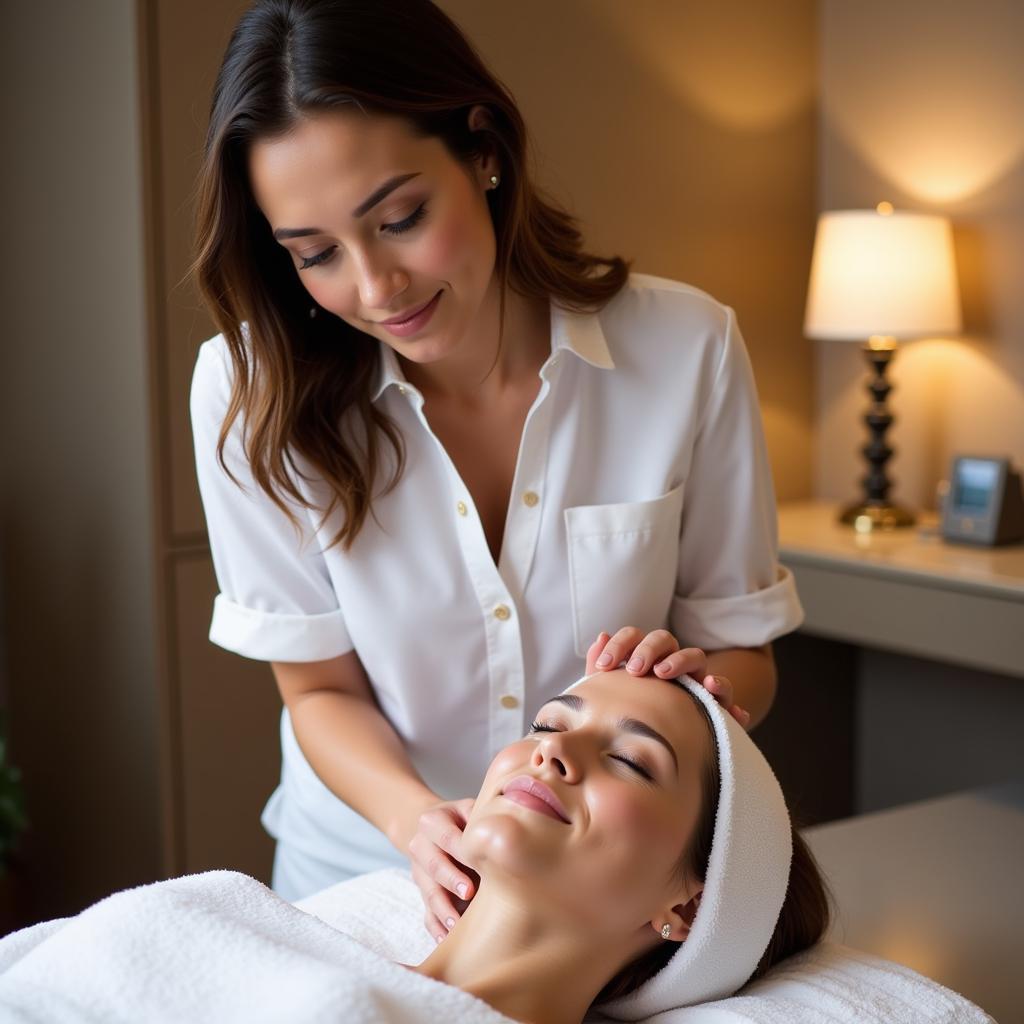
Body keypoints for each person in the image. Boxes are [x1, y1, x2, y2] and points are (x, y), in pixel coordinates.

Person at [188, 0, 806, 936]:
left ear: (483, 149)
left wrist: (689, 687)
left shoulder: (687, 350)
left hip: (604, 895)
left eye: (400, 218)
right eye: (314, 254)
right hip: (363, 871)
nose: (373, 287)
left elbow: (743, 655)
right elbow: (317, 689)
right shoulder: (248, 393)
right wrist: (415, 824)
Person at [0, 670, 830, 1024]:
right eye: (549, 722)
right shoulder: (236, 921)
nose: (550, 751)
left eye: (629, 759)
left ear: (686, 900)